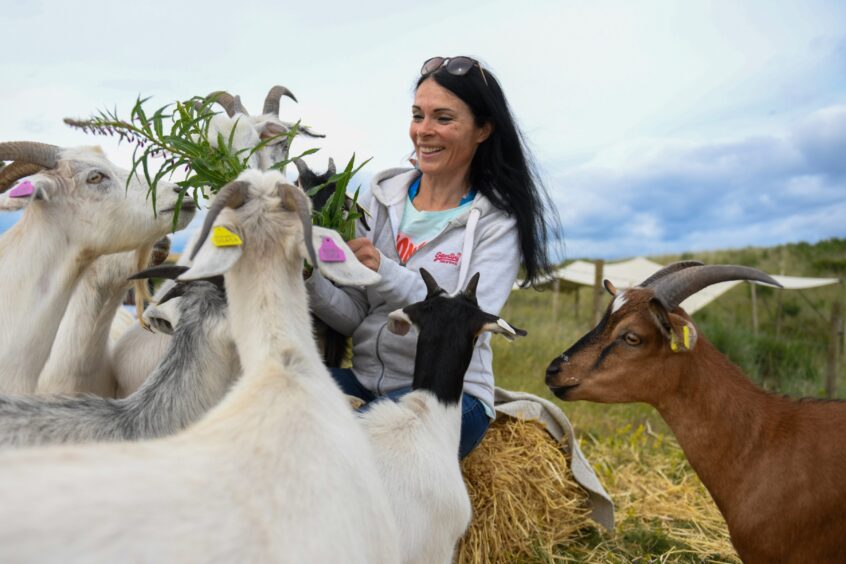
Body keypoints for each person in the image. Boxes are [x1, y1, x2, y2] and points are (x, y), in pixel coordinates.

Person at [306, 56, 560, 458]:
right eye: (418, 115)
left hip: (448, 395)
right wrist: (309, 277)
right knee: (270, 410)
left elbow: (466, 321)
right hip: (367, 380)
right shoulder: (379, 198)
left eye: (443, 118)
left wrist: (382, 269)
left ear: (483, 129)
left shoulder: (498, 222)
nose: (424, 131)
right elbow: (356, 315)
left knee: (338, 454)